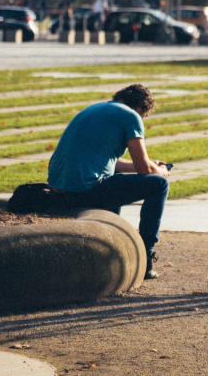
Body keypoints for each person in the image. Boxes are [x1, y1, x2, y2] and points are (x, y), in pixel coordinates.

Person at [48, 84, 170, 280]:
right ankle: (146, 257)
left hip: (59, 190)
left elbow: (109, 162)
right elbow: (144, 170)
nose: (143, 120)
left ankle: (110, 253)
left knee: (115, 183)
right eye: (145, 116)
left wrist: (150, 165)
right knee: (159, 184)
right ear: (140, 108)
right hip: (85, 190)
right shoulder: (131, 116)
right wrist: (160, 171)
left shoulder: (94, 109)